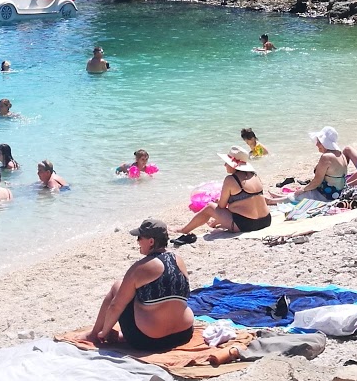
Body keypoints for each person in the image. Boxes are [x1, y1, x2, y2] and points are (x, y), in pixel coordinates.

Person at [89, 219, 194, 350]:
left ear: (151, 241)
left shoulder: (140, 268)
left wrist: (103, 333)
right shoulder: (179, 261)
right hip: (183, 334)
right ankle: (118, 335)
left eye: (139, 237)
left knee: (118, 286)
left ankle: (93, 335)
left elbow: (116, 306)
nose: (137, 241)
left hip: (148, 341)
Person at [177, 149, 275, 238]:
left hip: (247, 224)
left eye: (226, 163)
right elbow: (246, 202)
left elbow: (221, 206)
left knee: (210, 207)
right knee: (235, 205)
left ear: (234, 165)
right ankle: (214, 223)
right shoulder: (254, 175)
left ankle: (183, 230)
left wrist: (220, 202)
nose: (224, 165)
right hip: (266, 220)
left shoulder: (231, 179)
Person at [292, 127, 350, 200]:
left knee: (295, 196)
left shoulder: (326, 157)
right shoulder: (341, 154)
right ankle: (276, 197)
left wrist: (303, 189)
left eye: (319, 142)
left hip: (328, 195)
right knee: (299, 193)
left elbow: (317, 182)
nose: (316, 144)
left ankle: (273, 201)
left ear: (324, 142)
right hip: (339, 193)